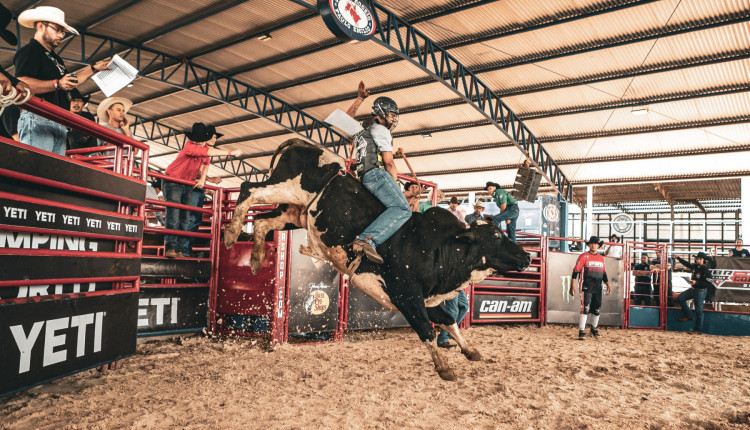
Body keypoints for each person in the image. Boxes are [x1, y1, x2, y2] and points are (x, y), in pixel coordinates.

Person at [15, 6, 110, 155]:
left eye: (63, 32)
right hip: (39, 117)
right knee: (37, 168)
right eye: (57, 30)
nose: (61, 35)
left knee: (50, 171)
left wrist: (94, 68)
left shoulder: (55, 59)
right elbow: (21, 83)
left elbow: (71, 81)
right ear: (41, 26)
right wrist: (57, 84)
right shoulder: (30, 51)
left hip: (58, 120)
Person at [347, 81, 411, 264]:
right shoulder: (381, 130)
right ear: (381, 113)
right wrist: (396, 185)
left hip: (363, 177)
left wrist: (359, 98)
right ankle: (368, 240)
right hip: (377, 174)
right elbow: (389, 163)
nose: (392, 119)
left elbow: (346, 118)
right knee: (402, 209)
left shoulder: (362, 127)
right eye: (391, 115)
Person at [163, 122, 241, 258]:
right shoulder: (189, 146)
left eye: (201, 140)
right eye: (197, 140)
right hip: (173, 180)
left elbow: (206, 164)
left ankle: (180, 250)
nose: (199, 143)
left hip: (187, 183)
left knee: (185, 217)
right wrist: (230, 152)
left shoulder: (203, 147)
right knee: (174, 215)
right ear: (192, 139)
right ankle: (171, 248)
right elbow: (208, 153)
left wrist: (202, 179)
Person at [569, 236, 611, 339]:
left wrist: (607, 283)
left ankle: (594, 329)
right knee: (586, 308)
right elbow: (575, 271)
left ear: (598, 245)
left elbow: (603, 272)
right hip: (586, 286)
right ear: (589, 245)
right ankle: (581, 331)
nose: (593, 245)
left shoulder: (601, 258)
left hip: (598, 287)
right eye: (591, 243)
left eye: (596, 244)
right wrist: (572, 286)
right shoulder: (583, 256)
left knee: (596, 309)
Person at [675, 252, 712, 334]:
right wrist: (679, 258)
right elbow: (687, 264)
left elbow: (708, 283)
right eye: (697, 259)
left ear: (703, 260)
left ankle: (698, 329)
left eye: (700, 259)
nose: (698, 260)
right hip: (694, 289)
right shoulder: (695, 266)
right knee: (680, 298)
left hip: (700, 291)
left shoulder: (705, 269)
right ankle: (689, 315)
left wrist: (696, 282)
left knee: (699, 310)